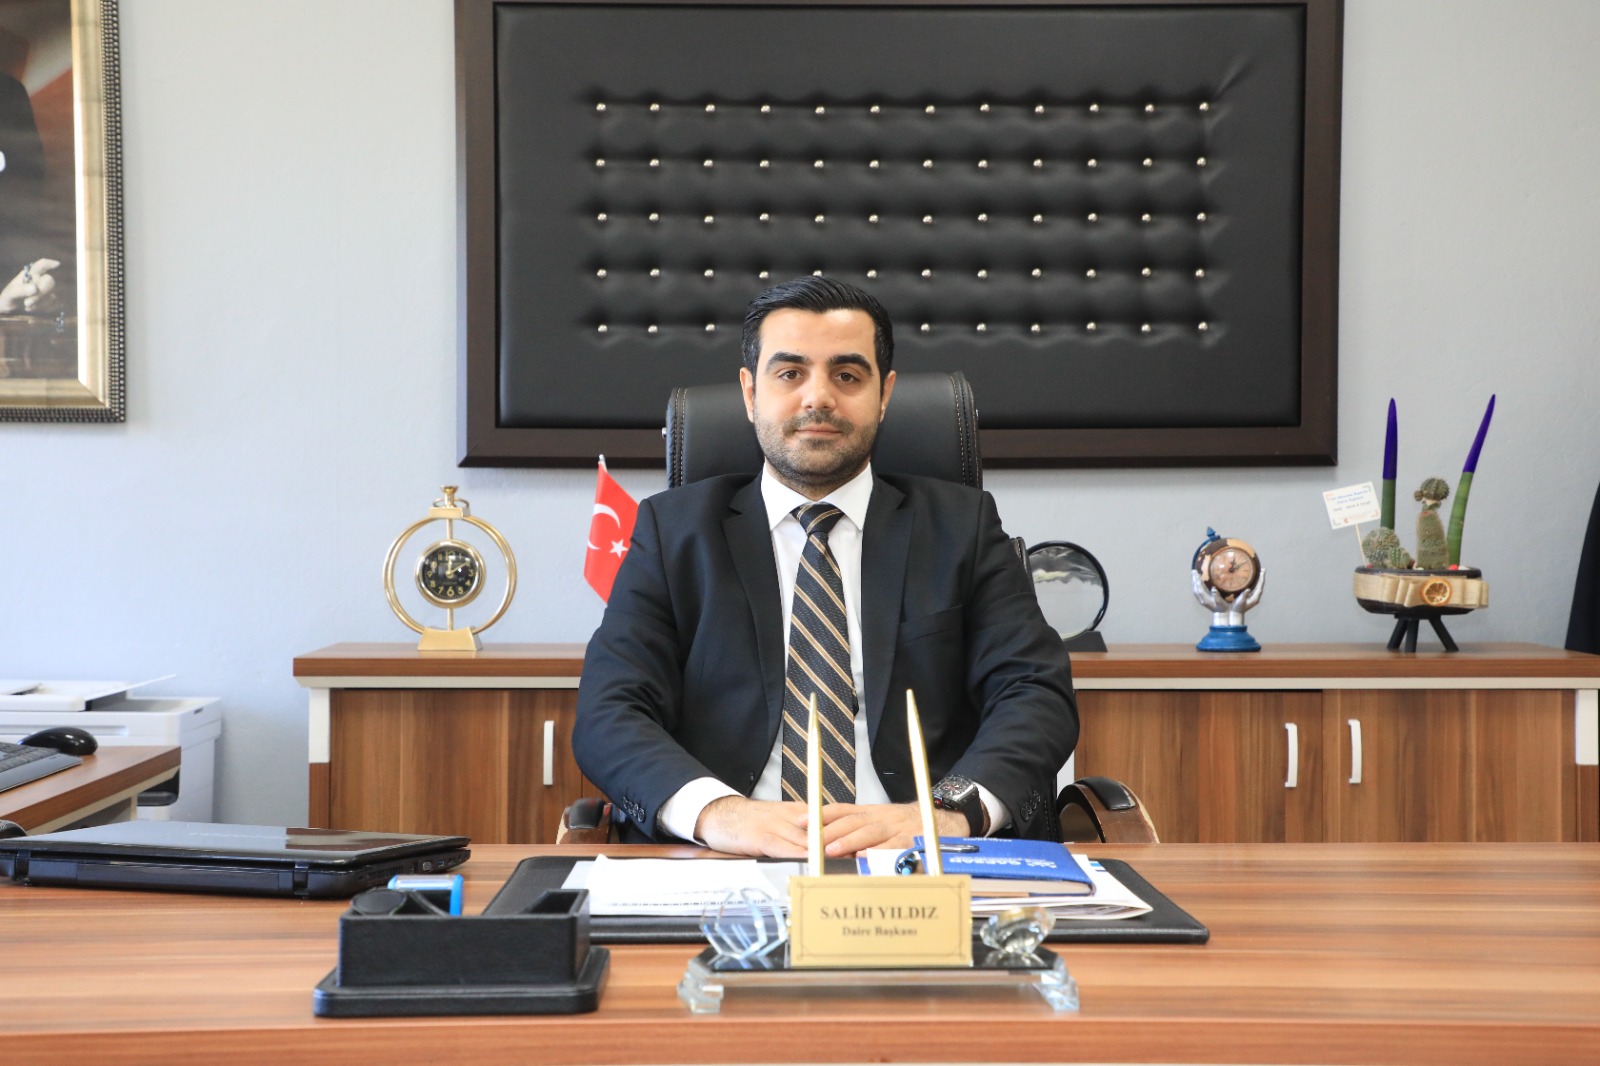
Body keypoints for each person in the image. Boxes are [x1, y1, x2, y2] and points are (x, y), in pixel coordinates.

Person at [572, 276, 1078, 858]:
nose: (818, 398)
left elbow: (1035, 692)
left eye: (847, 376)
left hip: (918, 859)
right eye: (790, 373)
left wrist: (946, 812)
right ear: (750, 393)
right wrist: (717, 814)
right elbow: (609, 710)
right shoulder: (674, 532)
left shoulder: (961, 527)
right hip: (725, 859)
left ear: (884, 394)